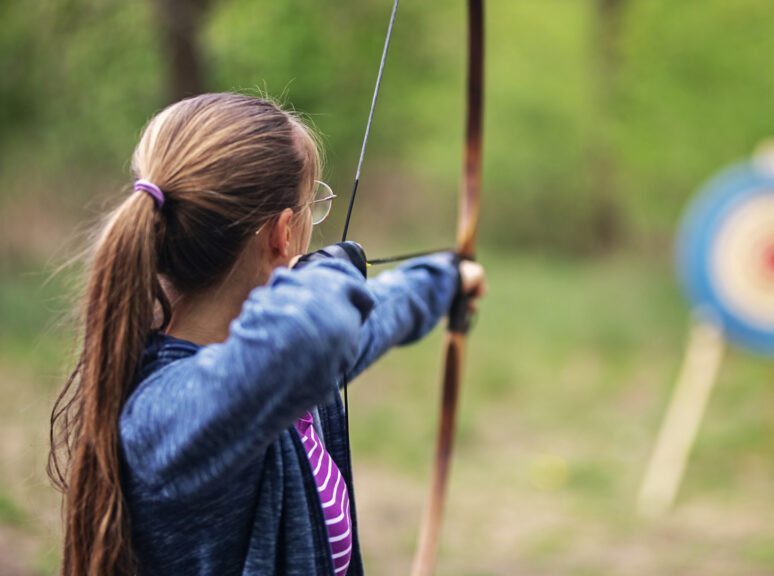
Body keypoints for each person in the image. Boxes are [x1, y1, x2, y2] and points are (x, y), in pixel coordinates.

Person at [47, 93, 486, 576]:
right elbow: (318, 329)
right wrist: (330, 272)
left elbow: (362, 325)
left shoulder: (281, 369)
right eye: (311, 207)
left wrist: (441, 280)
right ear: (281, 234)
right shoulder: (164, 415)